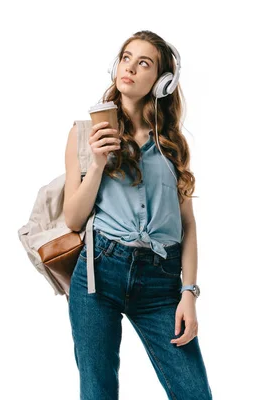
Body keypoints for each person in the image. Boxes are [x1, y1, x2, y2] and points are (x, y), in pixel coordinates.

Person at [63, 30, 213, 400]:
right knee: (97, 392)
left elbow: (188, 225)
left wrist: (188, 292)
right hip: (100, 272)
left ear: (161, 83)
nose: (129, 67)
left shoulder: (173, 143)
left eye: (143, 62)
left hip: (161, 282)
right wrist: (97, 164)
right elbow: (72, 219)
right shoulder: (84, 135)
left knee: (195, 393)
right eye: (126, 57)